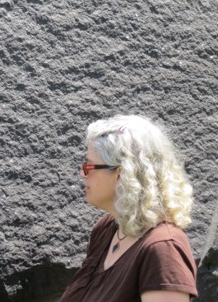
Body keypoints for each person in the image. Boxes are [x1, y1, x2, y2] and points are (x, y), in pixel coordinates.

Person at [59, 115, 198, 302]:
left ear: (121, 173)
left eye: (88, 166)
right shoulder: (108, 228)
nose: (82, 174)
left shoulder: (164, 248)